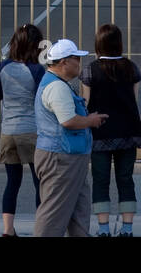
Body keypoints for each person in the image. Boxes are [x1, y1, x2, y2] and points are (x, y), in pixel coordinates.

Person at [34, 39, 107, 237]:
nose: (80, 63)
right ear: (64, 62)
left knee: (78, 210)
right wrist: (90, 121)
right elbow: (68, 121)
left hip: (68, 156)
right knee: (53, 213)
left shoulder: (56, 83)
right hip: (61, 158)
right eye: (76, 59)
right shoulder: (57, 87)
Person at [81, 23, 141, 237]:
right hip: (128, 131)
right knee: (125, 178)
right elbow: (133, 100)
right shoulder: (131, 67)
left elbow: (86, 103)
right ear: (119, 43)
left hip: (100, 132)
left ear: (98, 44)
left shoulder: (90, 69)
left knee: (100, 179)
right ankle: (127, 229)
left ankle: (103, 228)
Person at [0, 23, 45, 236]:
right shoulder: (37, 70)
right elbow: (43, 99)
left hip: (8, 132)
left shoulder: (3, 67)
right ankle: (41, 227)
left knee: (12, 183)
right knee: (39, 182)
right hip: (31, 131)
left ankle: (8, 229)